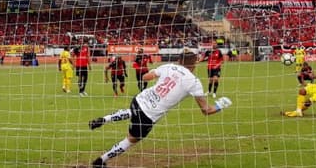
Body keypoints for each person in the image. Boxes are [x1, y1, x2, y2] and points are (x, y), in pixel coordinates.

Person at [87, 50, 231, 167]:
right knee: (131, 139)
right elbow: (206, 110)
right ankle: (101, 160)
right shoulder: (194, 82)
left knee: (132, 111)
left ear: (179, 60)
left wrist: (159, 76)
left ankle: (104, 119)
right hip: (149, 115)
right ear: (195, 64)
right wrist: (220, 105)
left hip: (139, 99)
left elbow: (145, 77)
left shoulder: (168, 66)